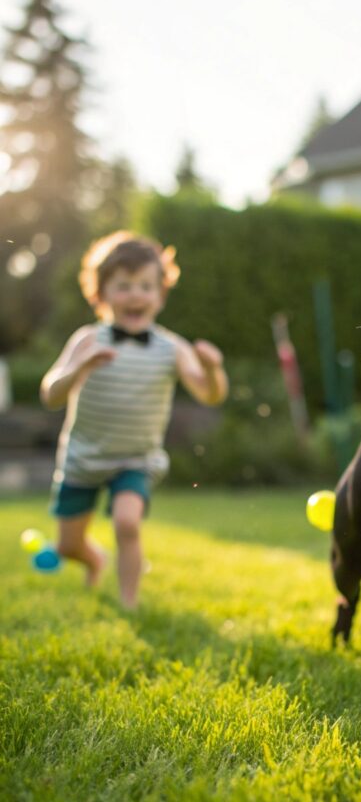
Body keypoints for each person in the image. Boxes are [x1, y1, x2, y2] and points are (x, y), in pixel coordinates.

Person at [40, 231, 228, 609]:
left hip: (135, 458)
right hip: (83, 457)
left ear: (160, 295)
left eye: (146, 286)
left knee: (127, 523)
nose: (135, 295)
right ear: (100, 295)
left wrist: (211, 369)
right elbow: (50, 395)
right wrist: (77, 368)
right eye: (123, 286)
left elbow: (210, 394)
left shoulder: (171, 347)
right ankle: (94, 559)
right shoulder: (87, 340)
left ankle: (130, 605)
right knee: (67, 545)